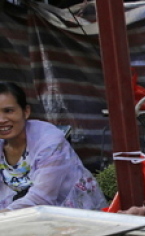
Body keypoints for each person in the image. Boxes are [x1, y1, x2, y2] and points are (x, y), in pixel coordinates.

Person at [0, 82, 105, 211]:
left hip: (76, 219)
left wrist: (5, 215)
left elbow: (42, 198)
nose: (1, 119)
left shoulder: (50, 142)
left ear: (26, 111)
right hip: (23, 219)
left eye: (8, 111)